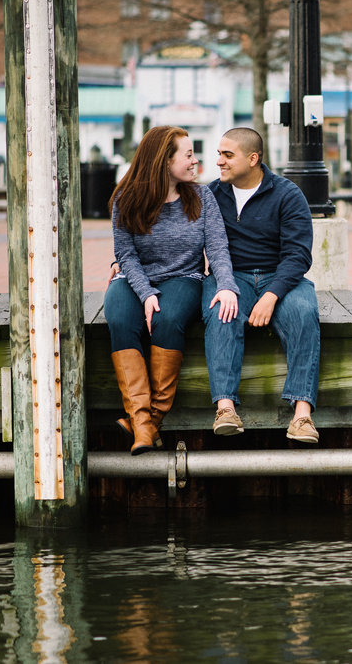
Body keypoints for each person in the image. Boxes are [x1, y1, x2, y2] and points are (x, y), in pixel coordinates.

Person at [105, 125, 239, 455]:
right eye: (189, 154)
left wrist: (227, 287)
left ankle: (149, 422)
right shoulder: (125, 198)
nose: (196, 161)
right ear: (165, 161)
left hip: (184, 278)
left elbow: (218, 249)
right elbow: (125, 254)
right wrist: (146, 293)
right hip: (135, 278)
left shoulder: (201, 196)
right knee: (121, 318)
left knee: (167, 319)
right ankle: (142, 421)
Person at [201, 127, 321, 443]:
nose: (219, 162)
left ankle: (302, 415)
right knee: (221, 312)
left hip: (280, 276)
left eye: (228, 155)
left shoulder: (287, 194)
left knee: (302, 312)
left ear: (253, 159)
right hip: (231, 277)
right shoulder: (211, 194)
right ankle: (225, 408)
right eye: (219, 154)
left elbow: (298, 255)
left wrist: (270, 295)